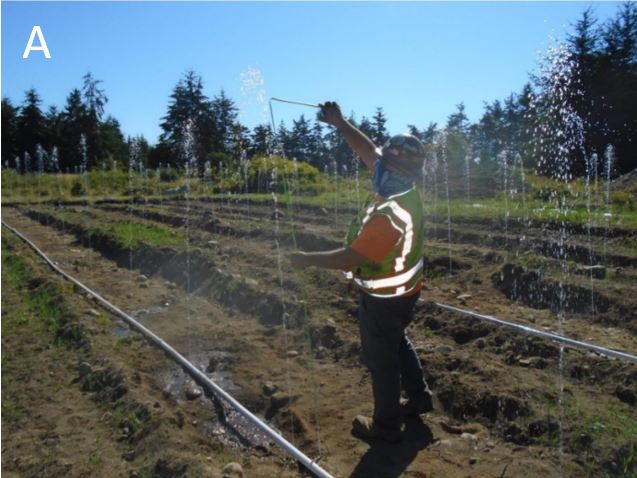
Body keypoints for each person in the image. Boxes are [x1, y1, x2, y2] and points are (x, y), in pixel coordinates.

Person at [289, 101, 433, 443]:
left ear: (396, 170)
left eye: (383, 162)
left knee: (381, 359)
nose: (376, 164)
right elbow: (367, 148)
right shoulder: (398, 185)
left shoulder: (391, 213)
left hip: (385, 296)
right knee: (395, 339)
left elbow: (350, 258)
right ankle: (419, 397)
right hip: (404, 292)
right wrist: (339, 123)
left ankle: (384, 426)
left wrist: (307, 259)